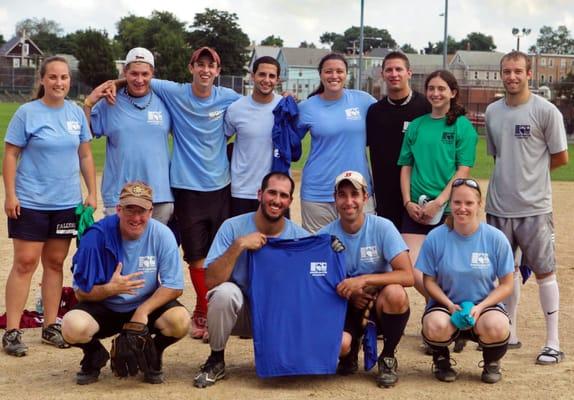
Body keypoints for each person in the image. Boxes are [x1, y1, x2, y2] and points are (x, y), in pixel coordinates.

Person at [2, 56, 97, 357]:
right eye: (53, 77)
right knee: (25, 263)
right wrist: (10, 195)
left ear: (70, 80)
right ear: (42, 80)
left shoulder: (76, 114)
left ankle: (51, 325)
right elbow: (10, 155)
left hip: (65, 202)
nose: (59, 83)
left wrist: (91, 192)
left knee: (55, 264)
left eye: (64, 77)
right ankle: (12, 331)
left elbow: (85, 156)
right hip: (30, 201)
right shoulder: (27, 113)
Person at [146, 47, 241, 340]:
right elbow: (141, 78)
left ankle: (216, 308)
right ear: (191, 68)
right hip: (186, 188)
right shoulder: (175, 92)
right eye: (199, 65)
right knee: (197, 257)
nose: (205, 70)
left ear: (217, 71)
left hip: (221, 187)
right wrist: (109, 87)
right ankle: (202, 308)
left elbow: (259, 105)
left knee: (219, 253)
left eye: (210, 66)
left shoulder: (228, 97)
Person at [485, 51, 569, 365]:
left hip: (535, 208)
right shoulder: (493, 112)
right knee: (504, 273)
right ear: (501, 74)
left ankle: (553, 342)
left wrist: (531, 176)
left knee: (545, 272)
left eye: (518, 71)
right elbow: (498, 156)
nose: (512, 77)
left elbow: (561, 157)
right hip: (498, 206)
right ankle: (511, 331)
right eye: (506, 71)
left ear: (529, 74)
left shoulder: (546, 111)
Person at [61, 182, 190, 385]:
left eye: (142, 211)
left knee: (180, 320)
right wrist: (109, 289)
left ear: (151, 211)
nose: (136, 218)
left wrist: (142, 312)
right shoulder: (96, 237)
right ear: (119, 210)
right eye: (130, 210)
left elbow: (174, 286)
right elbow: (80, 294)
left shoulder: (162, 235)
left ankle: (153, 353)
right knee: (71, 326)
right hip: (105, 306)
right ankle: (94, 355)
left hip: (144, 307)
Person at [193, 172, 309, 388]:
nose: (276, 200)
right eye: (271, 192)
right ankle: (216, 359)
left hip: (277, 316)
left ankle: (288, 356)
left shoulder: (300, 236)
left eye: (283, 195)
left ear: (290, 201)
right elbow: (210, 281)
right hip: (241, 313)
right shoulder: (232, 227)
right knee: (225, 293)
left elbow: (309, 289)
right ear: (259, 194)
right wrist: (239, 246)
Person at [318, 171, 414, 388]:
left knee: (396, 293)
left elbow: (407, 275)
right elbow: (316, 283)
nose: (349, 201)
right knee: (340, 345)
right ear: (335, 199)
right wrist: (349, 295)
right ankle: (349, 352)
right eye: (342, 195)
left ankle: (388, 357)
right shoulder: (324, 236)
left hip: (377, 304)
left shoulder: (383, 227)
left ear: (366, 197)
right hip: (343, 305)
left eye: (355, 194)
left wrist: (363, 281)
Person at [417, 178, 514, 383]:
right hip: (446, 305)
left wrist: (480, 307)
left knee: (497, 325)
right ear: (450, 204)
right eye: (457, 202)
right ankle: (441, 359)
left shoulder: (495, 238)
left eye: (469, 203)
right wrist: (450, 305)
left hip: (483, 306)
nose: (462, 208)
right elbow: (429, 282)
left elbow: (507, 285)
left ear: (479, 205)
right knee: (435, 325)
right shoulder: (436, 237)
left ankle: (491, 362)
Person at [398, 69, 478, 298]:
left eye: (442, 88)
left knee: (448, 269)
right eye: (431, 88)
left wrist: (440, 202)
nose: (436, 93)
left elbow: (463, 170)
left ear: (453, 92)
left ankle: (448, 316)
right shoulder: (416, 125)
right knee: (412, 270)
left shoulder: (462, 126)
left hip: (449, 209)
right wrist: (407, 202)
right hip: (416, 210)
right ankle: (442, 307)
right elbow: (406, 166)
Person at [83, 47, 173, 224]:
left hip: (159, 196)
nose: (139, 80)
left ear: (152, 74)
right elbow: (84, 136)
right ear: (125, 73)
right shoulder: (109, 101)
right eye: (134, 74)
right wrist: (88, 103)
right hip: (119, 195)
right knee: (120, 250)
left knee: (154, 250)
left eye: (145, 74)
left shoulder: (166, 100)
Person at [297, 53, 376, 233]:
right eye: (329, 71)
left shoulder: (363, 100)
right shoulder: (307, 107)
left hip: (358, 190)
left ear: (346, 74)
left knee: (363, 249)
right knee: (319, 252)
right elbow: (288, 141)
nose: (334, 76)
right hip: (318, 192)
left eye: (339, 71)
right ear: (321, 75)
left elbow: (388, 120)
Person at [366, 51, 431, 231]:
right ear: (382, 74)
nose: (394, 74)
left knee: (417, 252)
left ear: (409, 73)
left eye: (399, 69)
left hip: (419, 193)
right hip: (385, 194)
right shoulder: (374, 112)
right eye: (389, 70)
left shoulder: (425, 108)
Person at [224, 56, 282, 216]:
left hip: (276, 191)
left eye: (272, 76)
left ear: (278, 80)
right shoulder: (236, 109)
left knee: (276, 240)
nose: (266, 80)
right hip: (242, 190)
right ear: (252, 76)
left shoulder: (285, 107)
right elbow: (221, 142)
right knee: (241, 240)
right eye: (262, 74)